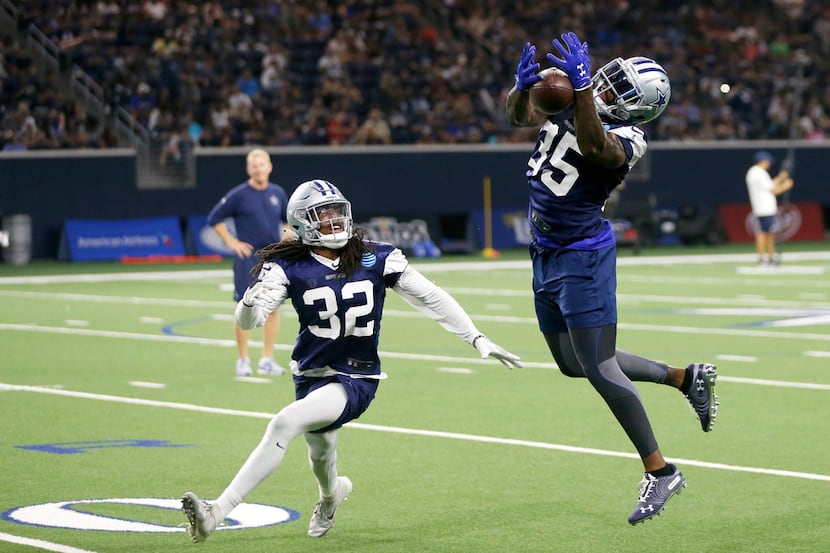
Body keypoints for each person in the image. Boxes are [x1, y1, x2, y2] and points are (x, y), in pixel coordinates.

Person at [182, 179, 521, 541]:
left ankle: (215, 513)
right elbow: (250, 322)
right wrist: (247, 305)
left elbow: (431, 297)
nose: (333, 221)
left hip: (355, 377)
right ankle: (331, 496)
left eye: (335, 212)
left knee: (285, 423)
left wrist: (476, 337)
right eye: (321, 214)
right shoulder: (287, 265)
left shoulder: (376, 256)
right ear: (301, 223)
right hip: (311, 372)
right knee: (322, 455)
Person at [505, 32, 719, 525]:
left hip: (582, 258)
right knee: (571, 363)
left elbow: (595, 146)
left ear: (639, 109)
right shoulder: (577, 101)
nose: (605, 85)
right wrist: (522, 89)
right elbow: (518, 117)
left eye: (620, 87)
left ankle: (661, 470)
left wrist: (579, 94)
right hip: (545, 252)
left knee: (599, 367)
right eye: (610, 77)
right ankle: (686, 378)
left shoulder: (630, 138)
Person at [207, 148, 289, 377]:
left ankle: (267, 359)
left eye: (262, 165)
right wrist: (233, 243)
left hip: (272, 258)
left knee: (273, 308)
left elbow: (287, 221)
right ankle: (243, 360)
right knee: (245, 308)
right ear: (248, 169)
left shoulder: (277, 192)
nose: (259, 169)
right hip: (248, 259)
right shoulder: (239, 194)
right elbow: (214, 218)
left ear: (269, 166)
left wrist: (287, 236)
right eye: (254, 166)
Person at [745, 150, 794, 266]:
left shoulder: (754, 172)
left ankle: (769, 256)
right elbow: (773, 190)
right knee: (765, 232)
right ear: (763, 161)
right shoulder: (759, 173)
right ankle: (765, 257)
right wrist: (786, 186)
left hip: (762, 207)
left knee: (767, 232)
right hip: (765, 207)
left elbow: (769, 185)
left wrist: (780, 178)